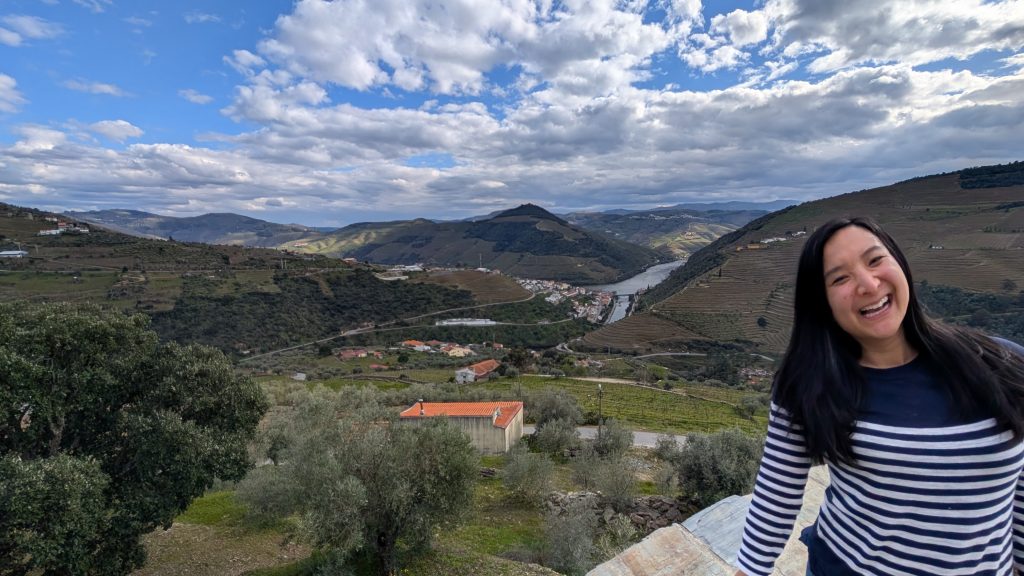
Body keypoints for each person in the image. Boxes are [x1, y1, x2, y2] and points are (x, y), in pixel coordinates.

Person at [733, 216, 1024, 576]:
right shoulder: (809, 384)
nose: (869, 284)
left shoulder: (1003, 364)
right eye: (840, 278)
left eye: (875, 260)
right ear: (821, 303)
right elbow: (775, 498)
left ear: (900, 263)